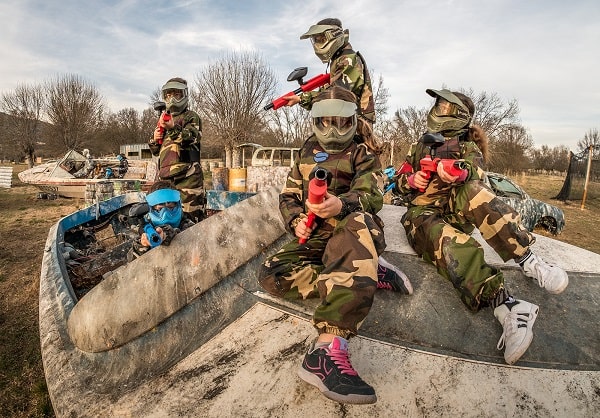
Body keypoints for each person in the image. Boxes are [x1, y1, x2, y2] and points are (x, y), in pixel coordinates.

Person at [391, 88, 569, 365]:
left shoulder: (467, 147)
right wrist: (412, 181)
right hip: (423, 215)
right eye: (438, 105)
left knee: (473, 189)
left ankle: (529, 260)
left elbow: (473, 172)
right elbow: (398, 182)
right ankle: (508, 305)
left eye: (446, 107)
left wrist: (455, 172)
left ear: (461, 115)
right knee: (442, 239)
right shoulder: (419, 146)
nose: (439, 110)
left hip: (457, 210)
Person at [258, 86, 411, 404]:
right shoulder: (305, 152)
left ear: (353, 121)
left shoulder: (362, 153)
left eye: (342, 123)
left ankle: (327, 350)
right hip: (315, 237)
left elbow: (371, 195)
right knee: (271, 275)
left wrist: (340, 206)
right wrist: (295, 219)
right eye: (326, 122)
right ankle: (363, 273)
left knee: (352, 226)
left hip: (354, 228)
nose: (333, 130)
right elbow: (288, 195)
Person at [283, 18, 375, 125]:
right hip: (346, 121)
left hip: (356, 125)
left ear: (335, 36)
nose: (318, 44)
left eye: (322, 39)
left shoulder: (347, 60)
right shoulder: (339, 59)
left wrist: (301, 98)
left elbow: (336, 95)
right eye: (316, 40)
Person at [149, 77, 205, 222]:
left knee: (192, 219)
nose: (172, 98)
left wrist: (172, 128)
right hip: (167, 178)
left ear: (184, 95)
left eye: (176, 94)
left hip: (188, 176)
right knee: (169, 219)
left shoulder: (191, 117)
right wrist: (155, 140)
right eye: (168, 95)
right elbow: (157, 152)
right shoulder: (164, 120)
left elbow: (190, 138)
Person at [127, 180, 195, 262]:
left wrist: (166, 234)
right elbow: (131, 262)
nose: (165, 214)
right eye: (160, 209)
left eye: (170, 208)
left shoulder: (189, 225)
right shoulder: (147, 229)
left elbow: (192, 239)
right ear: (151, 210)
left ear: (179, 206)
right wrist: (142, 245)